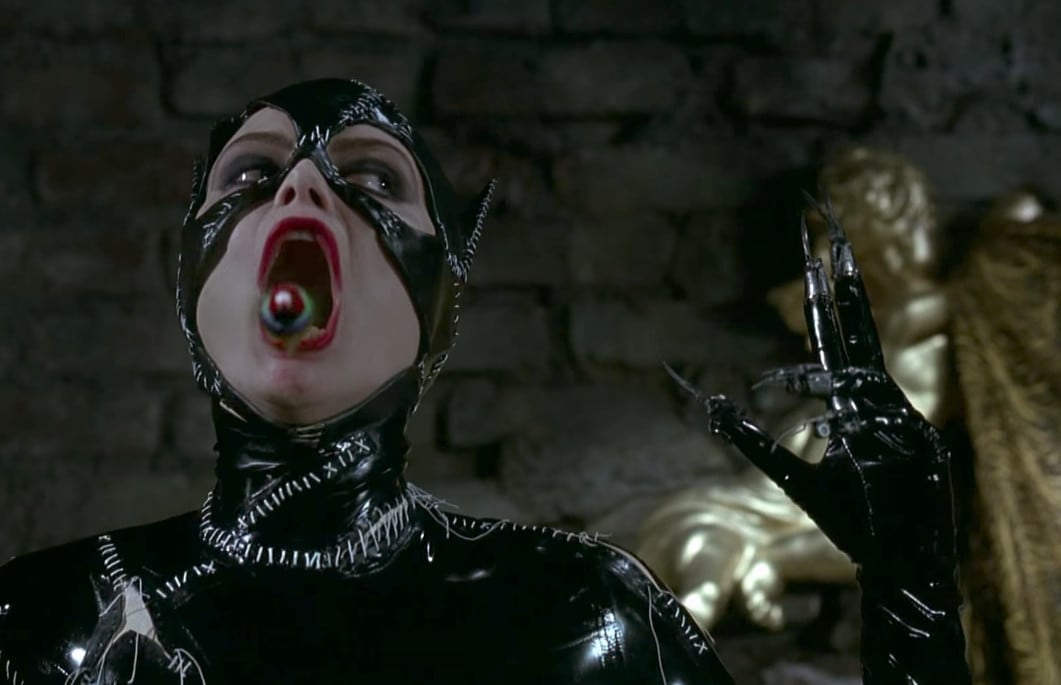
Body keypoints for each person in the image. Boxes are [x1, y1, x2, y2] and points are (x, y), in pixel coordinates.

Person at [0, 79, 971, 684]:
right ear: (190, 288)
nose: (300, 186)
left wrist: (912, 609)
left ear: (441, 303)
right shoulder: (42, 623)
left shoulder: (583, 616)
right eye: (248, 177)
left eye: (373, 180)